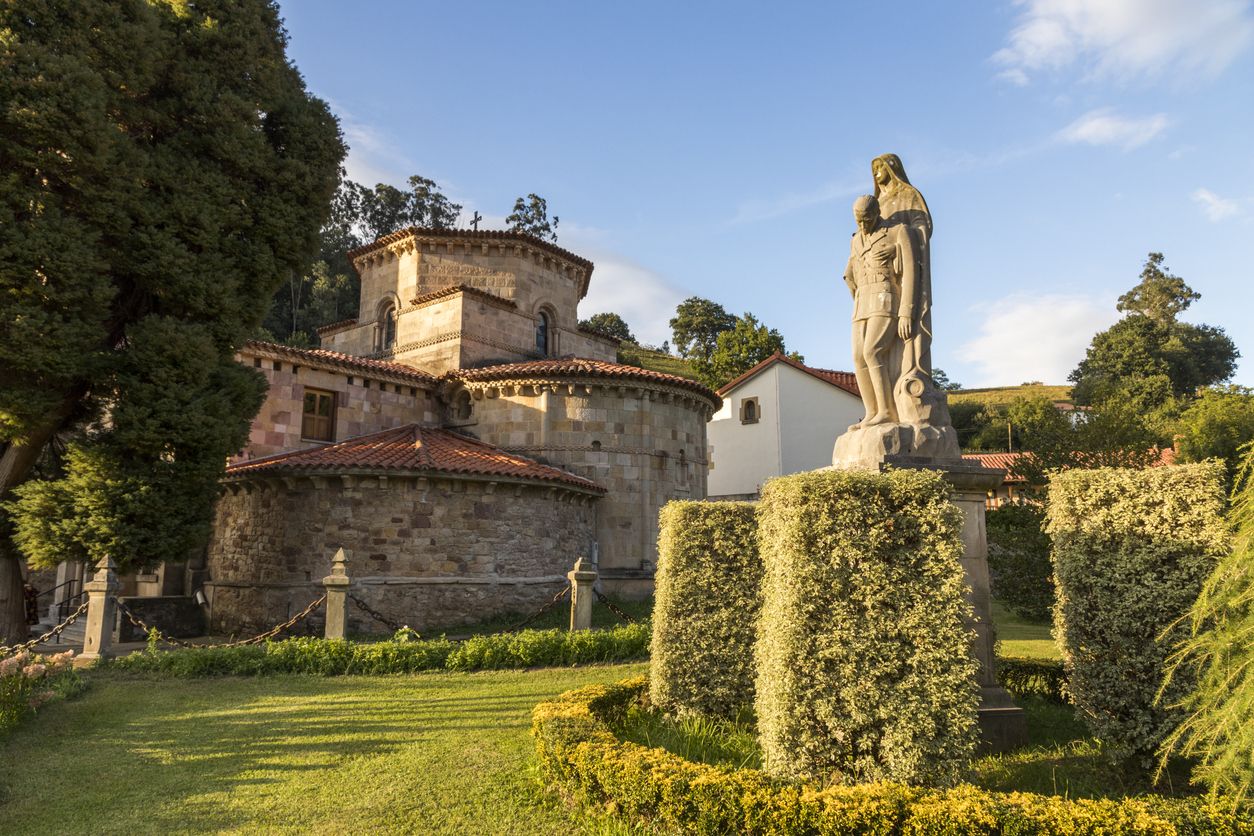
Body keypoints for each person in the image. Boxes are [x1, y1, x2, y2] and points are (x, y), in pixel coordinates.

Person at [843, 194, 916, 428]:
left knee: (872, 351)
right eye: (858, 221)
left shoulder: (897, 231)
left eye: (867, 219)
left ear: (877, 214)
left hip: (886, 297)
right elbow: (850, 269)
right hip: (862, 300)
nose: (863, 225)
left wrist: (907, 311)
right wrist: (850, 281)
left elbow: (912, 272)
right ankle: (871, 412)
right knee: (857, 357)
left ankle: (886, 411)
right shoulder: (855, 240)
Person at [871, 153, 934, 377]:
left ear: (891, 169)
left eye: (880, 168)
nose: (877, 173)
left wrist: (899, 248)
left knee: (909, 330)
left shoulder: (909, 195)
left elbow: (922, 227)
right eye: (874, 169)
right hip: (883, 280)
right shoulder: (876, 203)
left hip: (906, 273)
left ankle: (913, 376)